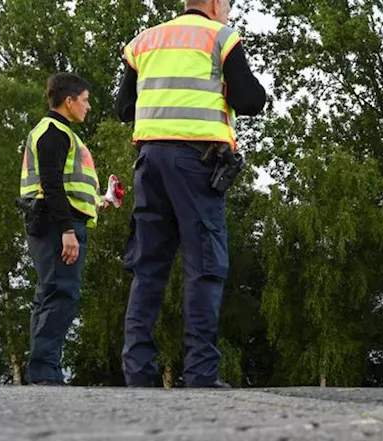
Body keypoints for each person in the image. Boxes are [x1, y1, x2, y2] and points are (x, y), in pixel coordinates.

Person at [114, 0, 268, 389]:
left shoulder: (143, 41)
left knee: (147, 267)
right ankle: (200, 374)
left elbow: (122, 108)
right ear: (215, 3)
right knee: (204, 267)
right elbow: (251, 100)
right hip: (197, 163)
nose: (228, 12)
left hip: (149, 163)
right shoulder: (220, 37)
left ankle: (139, 375)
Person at [18, 72, 104, 386]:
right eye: (85, 100)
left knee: (50, 294)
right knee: (61, 294)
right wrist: (68, 230)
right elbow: (51, 184)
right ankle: (44, 372)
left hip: (54, 221)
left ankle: (45, 370)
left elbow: (65, 185)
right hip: (57, 226)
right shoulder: (54, 131)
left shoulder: (55, 132)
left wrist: (100, 200)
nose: (88, 106)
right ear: (68, 101)